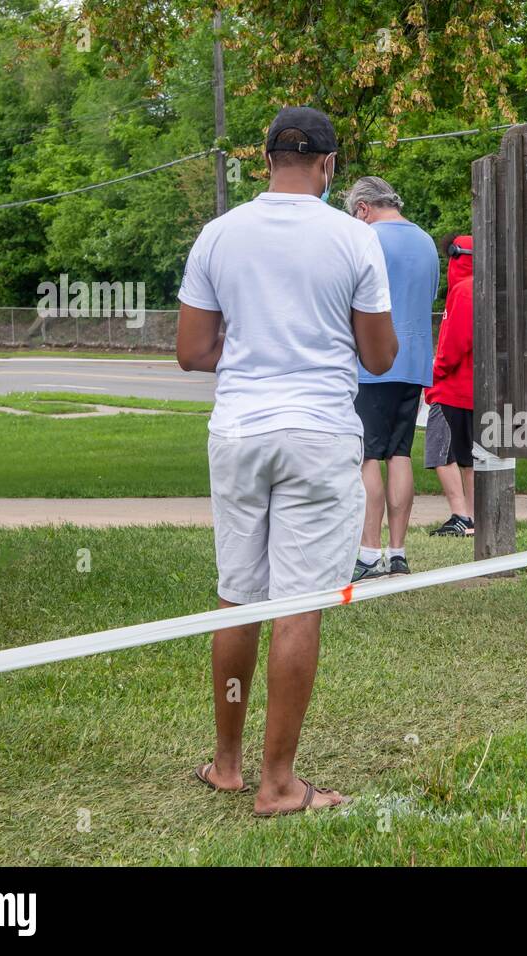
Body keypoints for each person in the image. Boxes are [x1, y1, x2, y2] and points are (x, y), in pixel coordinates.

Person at [176, 106, 397, 816]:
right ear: (329, 167)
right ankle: (280, 784)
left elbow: (191, 351)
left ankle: (228, 765)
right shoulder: (354, 239)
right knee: (299, 604)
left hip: (239, 430)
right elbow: (381, 356)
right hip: (318, 433)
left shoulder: (218, 235)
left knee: (237, 595)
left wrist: (248, 353)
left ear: (266, 160)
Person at [345, 176, 439, 579]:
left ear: (364, 208)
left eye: (355, 215)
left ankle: (368, 553)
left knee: (368, 455)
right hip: (415, 361)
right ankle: (398, 551)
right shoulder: (427, 241)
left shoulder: (367, 240)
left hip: (373, 362)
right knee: (399, 452)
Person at [424, 233, 475, 537]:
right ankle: (472, 516)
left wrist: (433, 375)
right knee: (469, 458)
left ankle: (459, 514)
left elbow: (454, 344)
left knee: (441, 454)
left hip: (451, 388)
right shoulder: (483, 288)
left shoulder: (464, 291)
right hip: (472, 390)